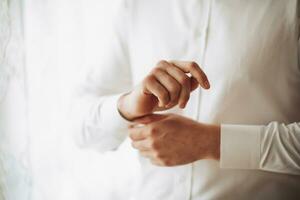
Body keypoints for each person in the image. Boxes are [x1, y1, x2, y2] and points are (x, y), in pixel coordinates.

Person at [75, 1, 300, 199]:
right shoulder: (138, 6)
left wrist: (212, 142)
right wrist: (127, 105)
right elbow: (79, 129)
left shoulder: (290, 8)